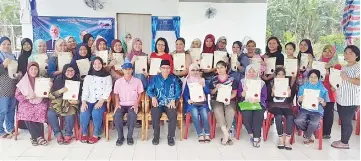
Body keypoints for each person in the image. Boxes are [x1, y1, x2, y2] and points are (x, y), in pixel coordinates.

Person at [146, 60, 181, 146]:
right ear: (160, 68)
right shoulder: (155, 78)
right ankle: (156, 136)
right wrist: (153, 97)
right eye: (163, 68)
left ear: (170, 69)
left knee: (173, 114)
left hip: (170, 103)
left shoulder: (174, 78)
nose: (165, 70)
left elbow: (178, 91)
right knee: (155, 114)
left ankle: (170, 137)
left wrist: (173, 99)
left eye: (167, 68)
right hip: (158, 103)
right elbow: (149, 89)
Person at [332, 45, 360, 149]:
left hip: (351, 100)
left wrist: (347, 78)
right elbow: (341, 81)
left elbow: (359, 81)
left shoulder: (358, 67)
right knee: (343, 120)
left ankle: (345, 142)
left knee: (347, 121)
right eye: (346, 53)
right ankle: (343, 139)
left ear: (357, 56)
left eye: (351, 53)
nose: (347, 55)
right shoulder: (345, 66)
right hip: (341, 99)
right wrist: (335, 87)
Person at [15, 62, 49, 146]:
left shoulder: (42, 80)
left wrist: (47, 88)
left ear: (38, 70)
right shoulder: (23, 81)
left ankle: (34, 137)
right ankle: (38, 137)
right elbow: (17, 94)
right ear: (28, 70)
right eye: (32, 69)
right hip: (26, 102)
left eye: (36, 69)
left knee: (40, 110)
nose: (34, 71)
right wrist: (27, 98)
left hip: (40, 101)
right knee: (27, 111)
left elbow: (46, 94)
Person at [80, 57, 112, 144]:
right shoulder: (88, 77)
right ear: (92, 65)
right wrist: (83, 102)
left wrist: (101, 101)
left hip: (101, 100)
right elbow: (85, 91)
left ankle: (96, 134)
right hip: (89, 100)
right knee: (84, 111)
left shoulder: (107, 76)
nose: (97, 65)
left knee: (96, 112)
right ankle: (85, 132)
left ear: (102, 64)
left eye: (99, 63)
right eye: (95, 64)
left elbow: (108, 90)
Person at [47, 64, 80, 145]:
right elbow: (50, 95)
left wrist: (77, 101)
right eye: (68, 71)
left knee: (70, 113)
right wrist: (60, 91)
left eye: (72, 70)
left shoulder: (78, 81)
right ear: (64, 71)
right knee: (50, 113)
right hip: (58, 102)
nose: (70, 73)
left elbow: (83, 96)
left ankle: (68, 134)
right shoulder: (58, 80)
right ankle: (58, 134)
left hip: (71, 103)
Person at [294, 69, 329, 145]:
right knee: (298, 121)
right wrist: (300, 100)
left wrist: (322, 101)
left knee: (314, 123)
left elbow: (325, 104)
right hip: (305, 109)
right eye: (311, 77)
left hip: (317, 111)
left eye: (315, 77)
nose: (313, 79)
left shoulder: (323, 89)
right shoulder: (303, 87)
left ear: (319, 78)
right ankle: (310, 133)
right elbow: (299, 102)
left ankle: (307, 136)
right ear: (308, 77)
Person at [113, 63, 144, 146]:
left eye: (129, 69)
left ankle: (130, 137)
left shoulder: (137, 81)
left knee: (132, 115)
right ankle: (120, 137)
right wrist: (117, 103)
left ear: (132, 70)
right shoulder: (118, 82)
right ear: (122, 70)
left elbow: (140, 94)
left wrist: (137, 104)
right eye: (125, 69)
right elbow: (116, 94)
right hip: (121, 104)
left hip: (133, 104)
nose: (127, 71)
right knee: (117, 115)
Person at [237, 64, 267, 148]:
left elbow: (265, 96)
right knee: (246, 115)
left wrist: (258, 100)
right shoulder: (242, 81)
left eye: (253, 71)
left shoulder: (261, 83)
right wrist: (243, 93)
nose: (251, 73)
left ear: (257, 72)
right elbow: (239, 95)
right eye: (249, 72)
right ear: (246, 73)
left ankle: (256, 138)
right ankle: (252, 134)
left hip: (258, 103)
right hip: (245, 102)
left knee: (258, 115)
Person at [210, 61, 237, 145]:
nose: (220, 70)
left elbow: (234, 93)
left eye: (221, 67)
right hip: (216, 100)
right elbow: (211, 93)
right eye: (218, 68)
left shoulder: (232, 80)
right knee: (217, 109)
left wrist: (227, 99)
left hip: (229, 100)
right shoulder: (214, 79)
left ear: (226, 68)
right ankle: (226, 134)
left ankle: (226, 134)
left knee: (230, 110)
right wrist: (216, 89)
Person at [182, 63, 211, 143]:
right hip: (192, 104)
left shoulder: (202, 80)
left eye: (197, 70)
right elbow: (185, 93)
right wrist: (188, 100)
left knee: (204, 115)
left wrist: (204, 86)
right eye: (193, 70)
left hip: (202, 103)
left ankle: (207, 133)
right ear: (189, 71)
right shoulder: (187, 81)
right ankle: (200, 134)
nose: (195, 72)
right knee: (195, 115)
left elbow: (208, 92)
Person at [267, 68, 293, 150]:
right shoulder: (271, 83)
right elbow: (268, 98)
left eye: (283, 74)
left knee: (290, 117)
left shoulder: (288, 84)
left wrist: (289, 94)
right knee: (278, 116)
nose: (281, 76)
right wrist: (272, 92)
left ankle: (287, 140)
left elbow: (291, 99)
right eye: (279, 74)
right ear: (275, 75)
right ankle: (281, 138)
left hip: (285, 104)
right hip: (274, 105)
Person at [319, 45, 340, 139]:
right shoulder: (318, 63)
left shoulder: (336, 65)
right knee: (317, 111)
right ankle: (317, 130)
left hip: (330, 91)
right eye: (325, 50)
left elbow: (338, 79)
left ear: (334, 53)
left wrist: (335, 87)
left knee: (328, 112)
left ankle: (326, 133)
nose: (327, 53)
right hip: (318, 90)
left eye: (330, 51)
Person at [0, 37, 19, 138]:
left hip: (13, 85)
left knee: (12, 108)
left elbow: (16, 69)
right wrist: (3, 65)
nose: (6, 46)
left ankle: (10, 127)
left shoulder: (12, 56)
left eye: (8, 44)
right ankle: (0, 130)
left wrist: (18, 73)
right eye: (4, 44)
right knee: (3, 109)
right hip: (3, 87)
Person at [263, 37, 284, 102]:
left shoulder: (280, 55)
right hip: (264, 78)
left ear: (278, 44)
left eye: (274, 43)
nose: (271, 45)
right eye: (270, 43)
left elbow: (278, 70)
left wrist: (268, 78)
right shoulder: (265, 55)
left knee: (270, 96)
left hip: (272, 79)